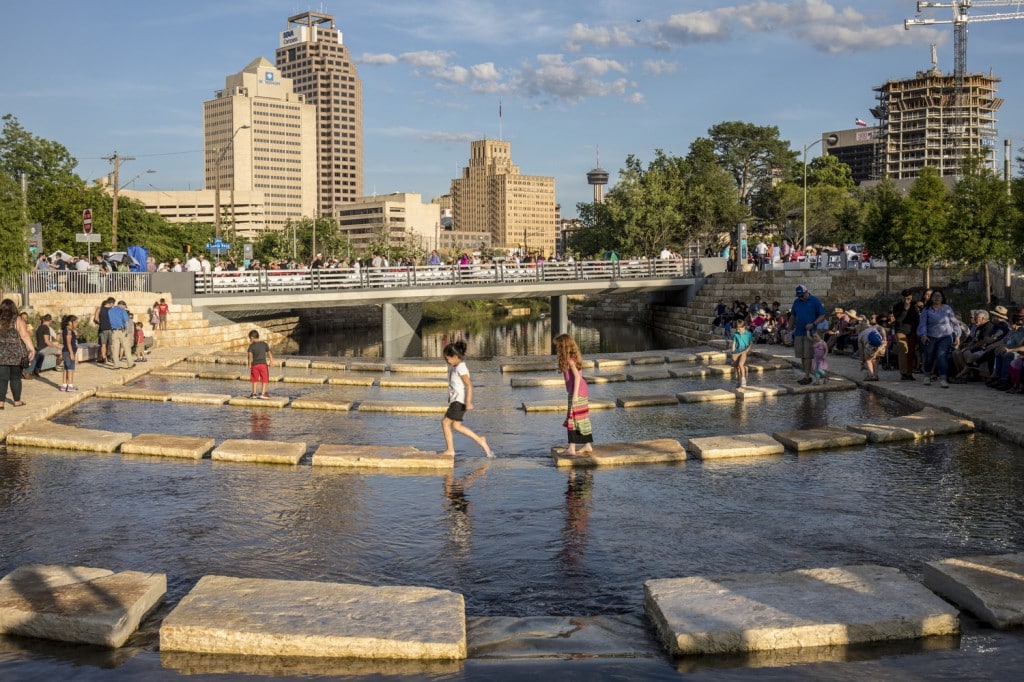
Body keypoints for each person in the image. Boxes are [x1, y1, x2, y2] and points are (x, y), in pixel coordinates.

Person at [439, 340, 492, 457]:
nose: (446, 361)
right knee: (456, 426)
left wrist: (468, 401)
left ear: (456, 357)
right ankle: (480, 440)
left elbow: (469, 384)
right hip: (456, 401)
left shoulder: (460, 368)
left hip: (459, 402)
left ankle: (450, 450)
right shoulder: (455, 366)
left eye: (447, 359)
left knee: (445, 423)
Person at [554, 333, 593, 456]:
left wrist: (575, 394)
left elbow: (577, 377)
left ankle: (571, 448)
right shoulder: (572, 358)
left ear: (563, 347)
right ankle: (587, 445)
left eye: (558, 346)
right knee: (581, 418)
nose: (557, 349)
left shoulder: (570, 360)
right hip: (580, 391)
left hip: (577, 392)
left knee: (573, 418)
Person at [917, 288, 959, 388]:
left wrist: (957, 335)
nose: (937, 298)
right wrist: (923, 334)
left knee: (942, 356)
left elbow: (954, 322)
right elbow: (922, 324)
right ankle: (927, 375)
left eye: (939, 296)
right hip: (931, 336)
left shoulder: (947, 308)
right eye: (934, 296)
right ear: (931, 298)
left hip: (945, 336)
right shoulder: (927, 310)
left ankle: (943, 379)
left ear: (942, 298)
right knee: (929, 357)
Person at [0, 299, 35, 408]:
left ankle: (1, 403)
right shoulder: (18, 320)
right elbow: (24, 336)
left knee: (2, 378)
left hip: (1, 353)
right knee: (15, 378)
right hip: (17, 353)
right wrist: (32, 349)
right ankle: (17, 401)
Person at [791, 284, 826, 384]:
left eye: (802, 295)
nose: (801, 297)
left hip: (811, 333)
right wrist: (789, 326)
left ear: (807, 292)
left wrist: (813, 324)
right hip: (799, 332)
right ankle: (808, 374)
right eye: (799, 296)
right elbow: (793, 315)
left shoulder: (814, 300)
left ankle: (807, 376)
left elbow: (822, 315)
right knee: (802, 355)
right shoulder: (797, 301)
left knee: (808, 355)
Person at [892, 289, 920, 381]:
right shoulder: (897, 306)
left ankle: (909, 373)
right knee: (903, 350)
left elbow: (918, 319)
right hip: (901, 331)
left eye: (909, 297)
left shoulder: (915, 305)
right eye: (905, 298)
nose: (907, 299)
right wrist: (905, 308)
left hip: (912, 331)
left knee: (911, 352)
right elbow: (899, 320)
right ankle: (904, 373)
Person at [858, 315, 887, 381]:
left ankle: (872, 375)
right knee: (875, 360)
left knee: (868, 360)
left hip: (870, 346)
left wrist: (862, 361)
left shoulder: (861, 334)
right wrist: (885, 340)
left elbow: (861, 350)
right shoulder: (874, 327)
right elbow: (882, 329)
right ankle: (876, 375)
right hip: (880, 345)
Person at [107, 300, 135, 369]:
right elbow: (126, 320)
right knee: (126, 348)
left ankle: (116, 365)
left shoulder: (110, 311)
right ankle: (130, 364)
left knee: (115, 349)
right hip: (122, 331)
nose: (125, 308)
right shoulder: (122, 311)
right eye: (125, 307)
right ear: (122, 305)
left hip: (114, 331)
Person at [246, 330, 273, 399]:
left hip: (255, 365)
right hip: (263, 365)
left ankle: (254, 394)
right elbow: (269, 353)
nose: (249, 340)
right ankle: (263, 394)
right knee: (264, 378)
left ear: (252, 338)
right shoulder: (264, 344)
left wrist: (249, 364)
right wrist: (271, 361)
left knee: (254, 379)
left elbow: (250, 356)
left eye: (250, 338)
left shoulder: (251, 346)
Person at [730, 318, 753, 387]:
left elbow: (751, 343)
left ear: (743, 327)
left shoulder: (748, 334)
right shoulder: (736, 334)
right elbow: (734, 343)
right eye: (737, 329)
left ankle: (743, 379)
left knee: (740, 364)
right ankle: (737, 379)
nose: (737, 330)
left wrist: (748, 350)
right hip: (737, 351)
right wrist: (733, 352)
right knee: (736, 366)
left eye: (739, 329)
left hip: (744, 351)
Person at [60, 315, 79, 392]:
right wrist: (71, 353)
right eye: (76, 322)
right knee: (70, 368)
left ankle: (64, 385)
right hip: (68, 352)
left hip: (65, 351)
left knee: (66, 369)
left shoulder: (67, 330)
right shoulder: (68, 331)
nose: (77, 323)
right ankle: (70, 386)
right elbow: (68, 343)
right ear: (70, 323)